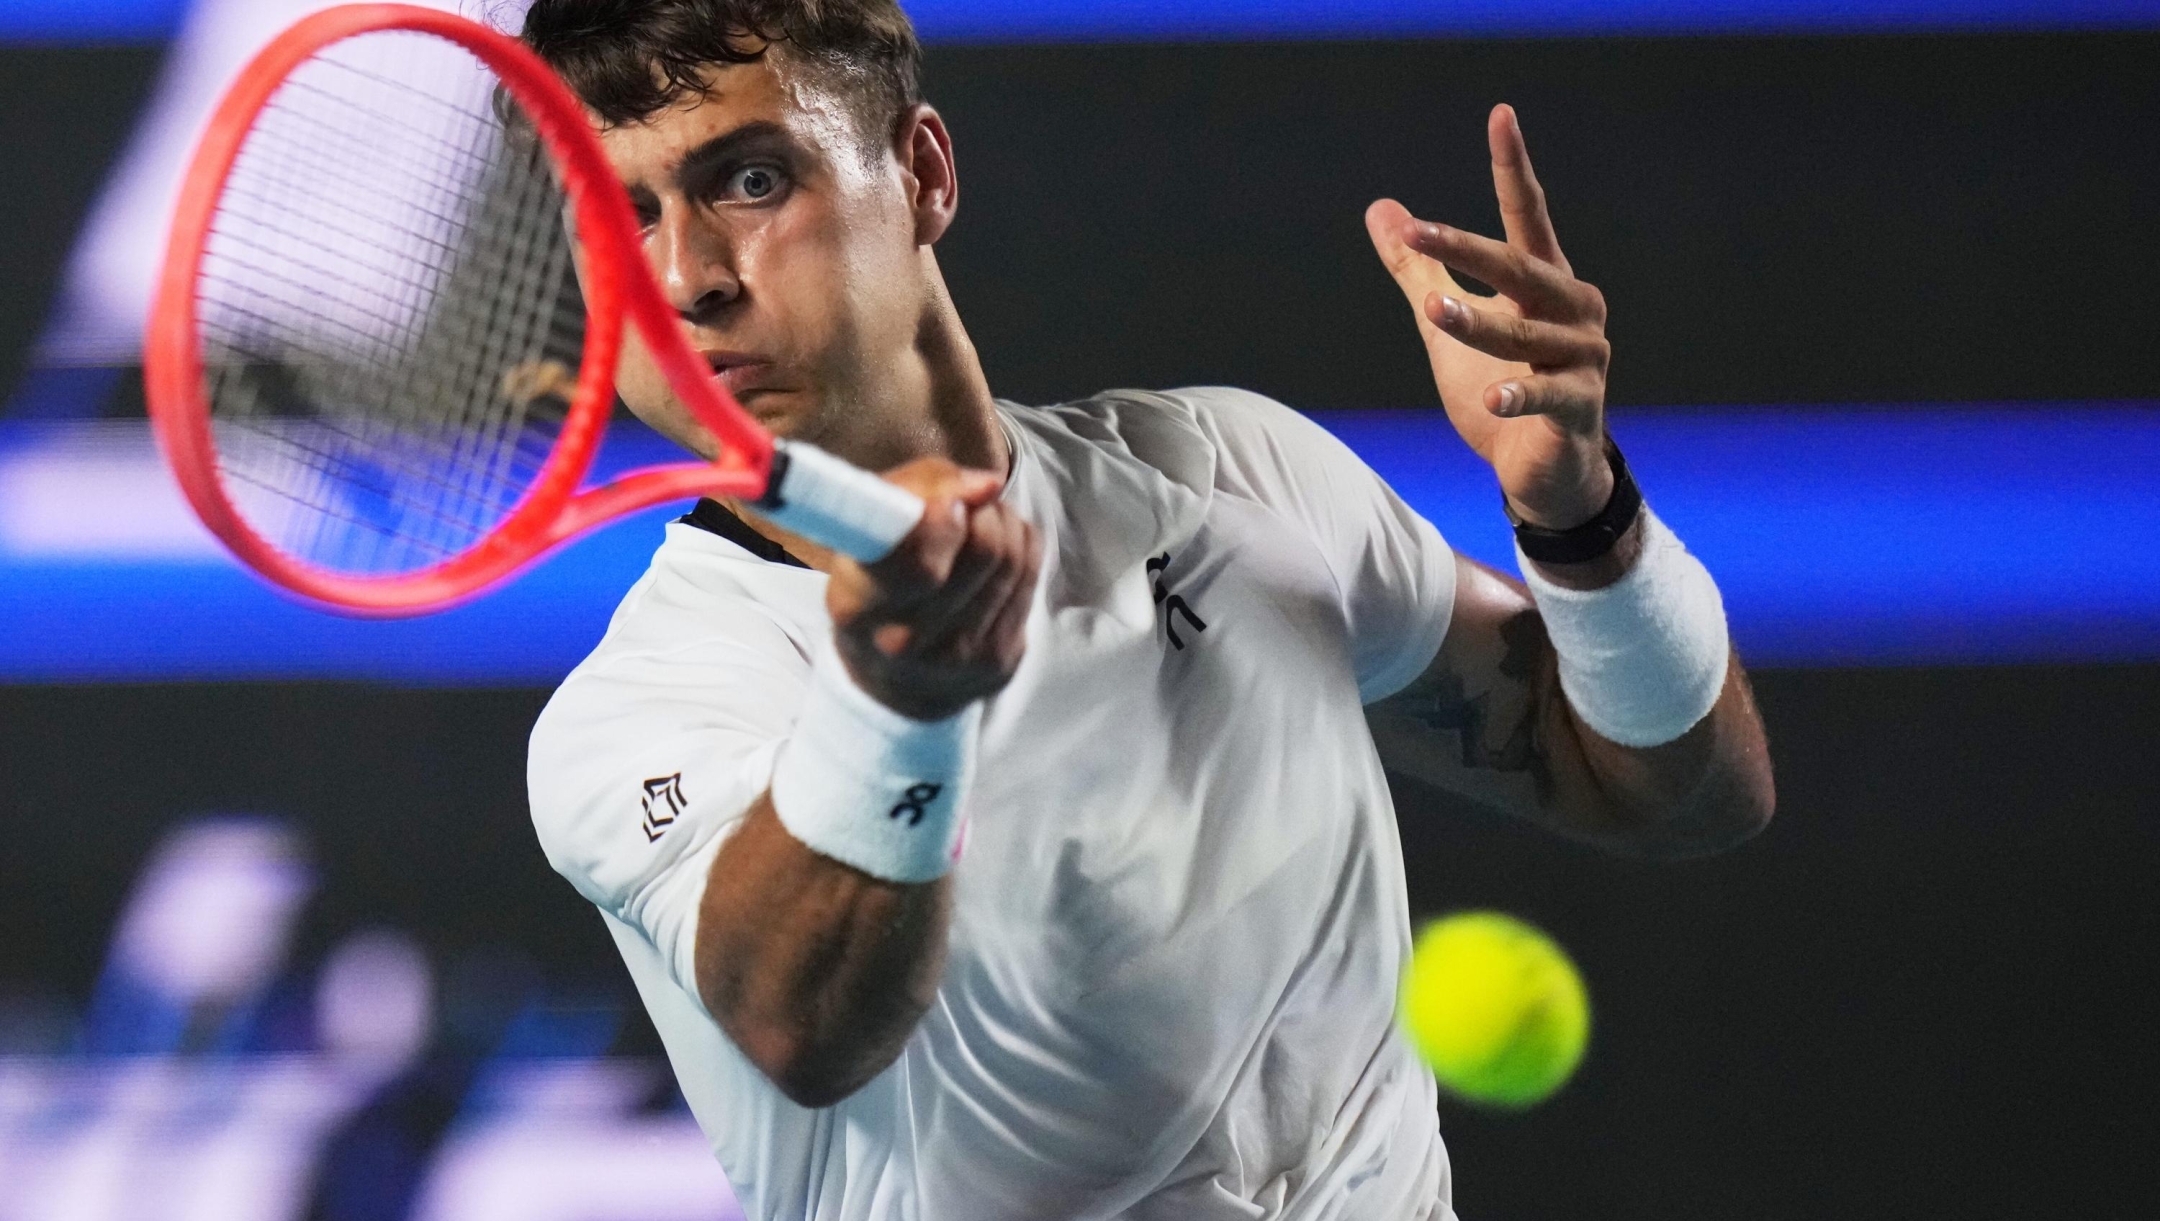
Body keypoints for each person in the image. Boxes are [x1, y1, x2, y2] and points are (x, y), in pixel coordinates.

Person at [520, 2, 1775, 1217]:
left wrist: (1582, 521)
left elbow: (1680, 793)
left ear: (922, 172)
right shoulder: (640, 714)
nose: (684, 279)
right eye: (616, 219)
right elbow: (805, 1026)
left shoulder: (1237, 471)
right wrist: (893, 704)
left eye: (747, 182)